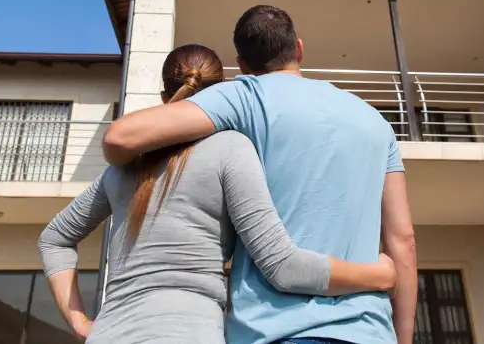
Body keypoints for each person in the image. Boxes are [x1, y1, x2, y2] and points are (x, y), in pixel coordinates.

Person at [38, 44, 398, 344]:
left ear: (166, 97)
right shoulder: (230, 150)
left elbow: (54, 238)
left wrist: (79, 321)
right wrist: (378, 275)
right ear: (219, 95)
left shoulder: (121, 171)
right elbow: (284, 267)